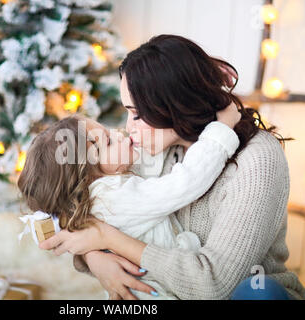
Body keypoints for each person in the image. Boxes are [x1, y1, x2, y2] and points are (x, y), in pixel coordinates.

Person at [38, 34, 305, 300]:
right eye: (127, 112)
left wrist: (110, 240)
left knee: (259, 294)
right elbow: (91, 199)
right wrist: (94, 257)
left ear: (174, 104)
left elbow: (213, 286)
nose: (128, 128)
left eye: (138, 114)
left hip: (241, 294)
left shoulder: (257, 160)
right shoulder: (152, 143)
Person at [18, 102, 241, 299]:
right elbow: (184, 184)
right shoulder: (113, 195)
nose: (120, 134)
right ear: (87, 177)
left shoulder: (101, 189)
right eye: (108, 142)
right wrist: (219, 134)